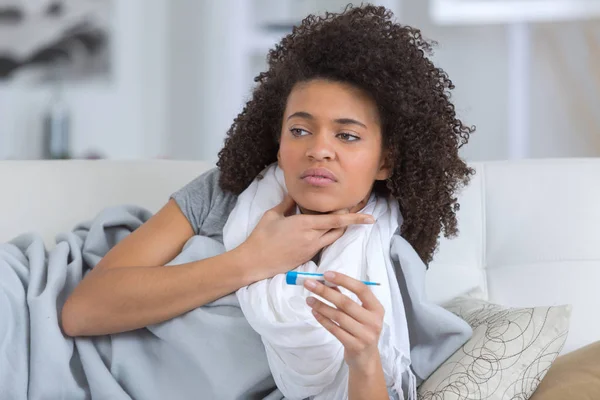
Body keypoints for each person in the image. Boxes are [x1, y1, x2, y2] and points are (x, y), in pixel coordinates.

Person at [62, 4, 475, 399]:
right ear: (278, 142)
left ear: (385, 161)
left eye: (346, 135)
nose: (318, 150)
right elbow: (82, 310)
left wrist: (365, 360)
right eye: (299, 130)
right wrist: (251, 261)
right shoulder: (227, 193)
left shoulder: (389, 256)